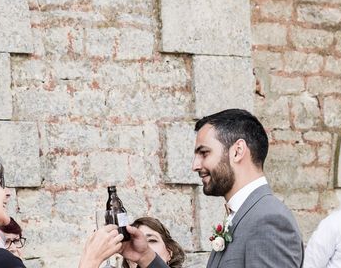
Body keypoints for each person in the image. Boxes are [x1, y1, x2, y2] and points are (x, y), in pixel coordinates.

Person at [121, 109, 304, 268]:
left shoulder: (268, 220)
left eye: (204, 153)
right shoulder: (244, 214)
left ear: (237, 151)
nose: (195, 165)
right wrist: (145, 257)